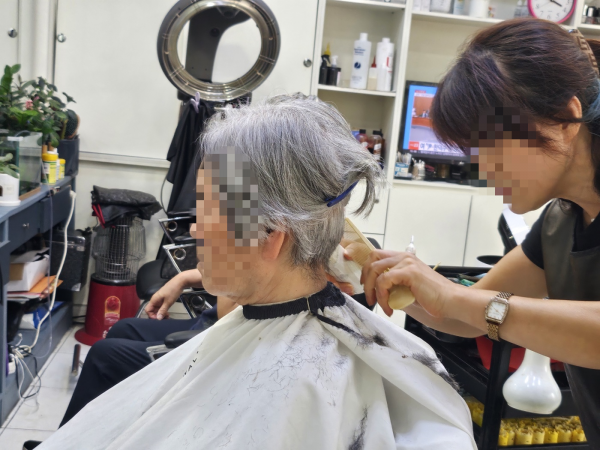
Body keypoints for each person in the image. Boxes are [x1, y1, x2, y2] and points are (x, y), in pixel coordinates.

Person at [37, 94, 476, 449]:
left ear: (270, 236)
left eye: (207, 208)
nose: (195, 228)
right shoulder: (276, 313)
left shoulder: (309, 387)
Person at [362, 19, 600, 449]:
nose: (484, 170)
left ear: (566, 118)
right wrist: (387, 275)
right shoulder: (560, 223)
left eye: (492, 147)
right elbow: (464, 319)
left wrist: (456, 297)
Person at [58, 269, 237, 426]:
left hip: (220, 339)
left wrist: (223, 266)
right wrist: (183, 278)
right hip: (209, 321)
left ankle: (67, 443)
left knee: (103, 356)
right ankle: (108, 430)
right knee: (123, 329)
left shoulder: (247, 246)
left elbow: (230, 312)